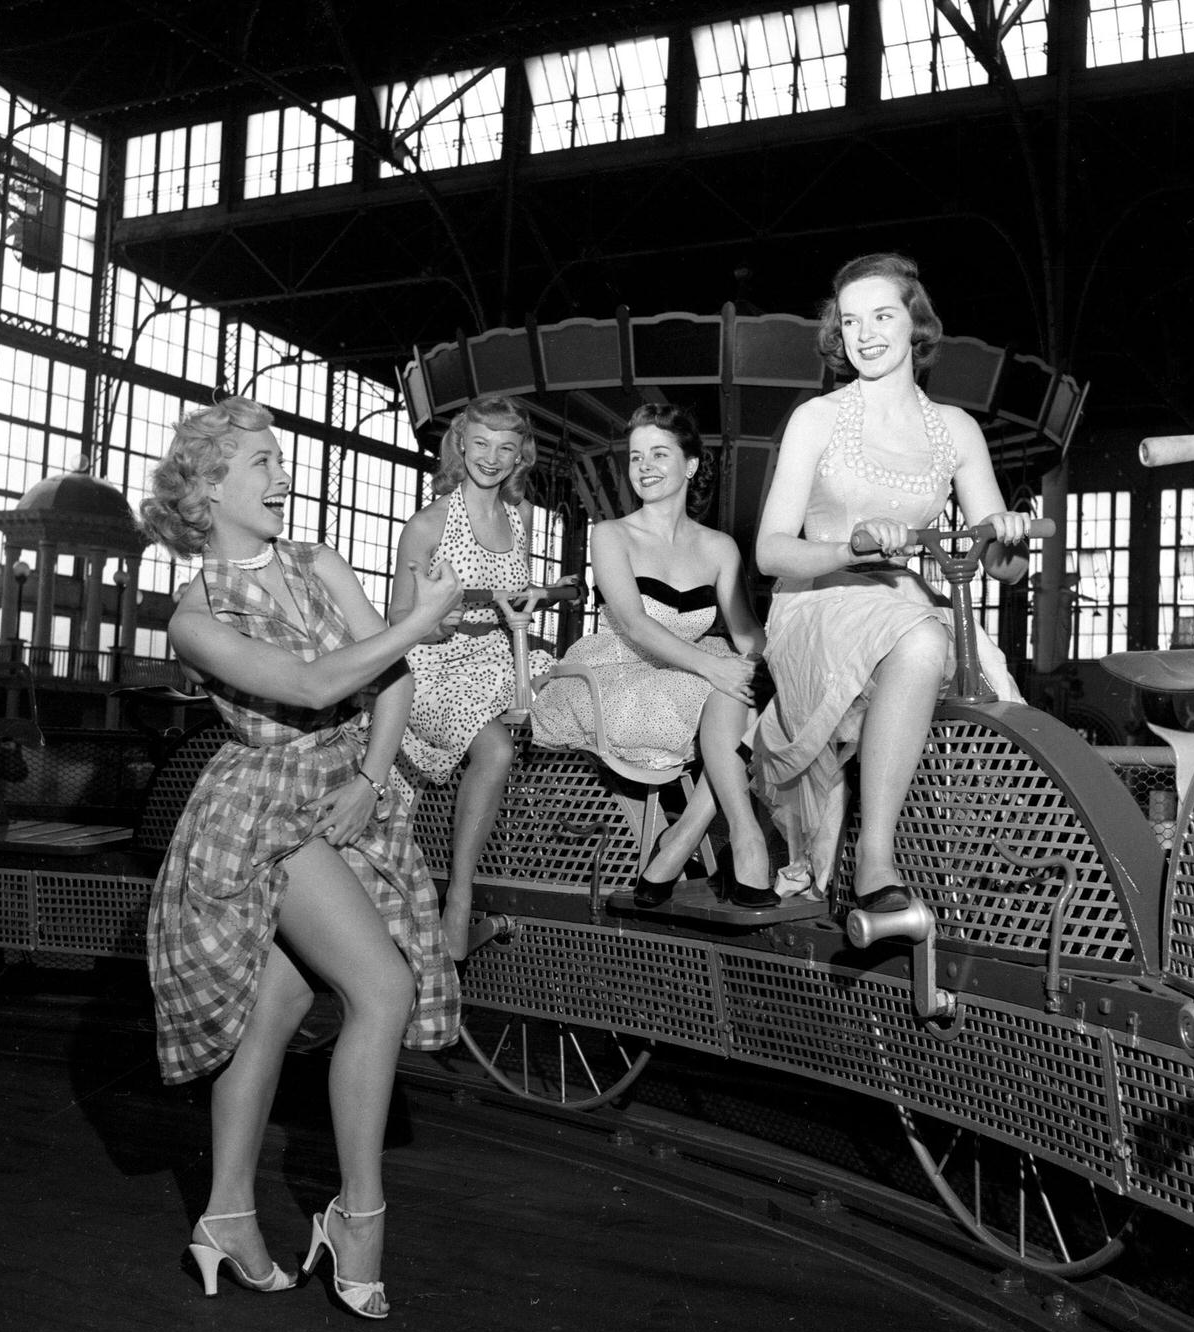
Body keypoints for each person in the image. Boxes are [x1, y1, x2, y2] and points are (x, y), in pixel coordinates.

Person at [141, 395, 462, 1321]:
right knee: (383, 990)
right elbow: (320, 681)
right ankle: (357, 1218)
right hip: (260, 809)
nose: (282, 475)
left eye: (279, 459)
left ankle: (228, 1216)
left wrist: (370, 775)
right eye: (259, 463)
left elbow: (387, 680)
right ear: (206, 490)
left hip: (342, 789)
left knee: (277, 1000)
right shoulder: (193, 616)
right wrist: (422, 617)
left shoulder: (317, 561)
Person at [752, 252, 1031, 913]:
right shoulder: (818, 419)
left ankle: (979, 866)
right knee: (925, 641)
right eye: (851, 321)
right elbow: (769, 552)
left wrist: (1010, 537)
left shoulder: (955, 430)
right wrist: (850, 544)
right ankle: (876, 858)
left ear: (916, 322)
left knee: (969, 665)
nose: (866, 333)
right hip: (819, 603)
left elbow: (999, 565)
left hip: (903, 601)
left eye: (882, 315)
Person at [530, 402, 777, 908]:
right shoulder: (611, 534)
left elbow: (747, 631)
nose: (644, 466)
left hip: (693, 678)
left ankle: (687, 836)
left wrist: (791, 661)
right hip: (620, 673)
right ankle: (742, 838)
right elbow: (636, 624)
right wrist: (716, 666)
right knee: (728, 687)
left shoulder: (719, 547)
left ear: (689, 465)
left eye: (659, 454)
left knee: (756, 689)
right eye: (636, 456)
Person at [389, 395, 553, 959]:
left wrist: (524, 608)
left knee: (579, 697)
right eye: (480, 443)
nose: (491, 456)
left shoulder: (521, 516)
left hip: (502, 657)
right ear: (460, 443)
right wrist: (436, 623)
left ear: (518, 457)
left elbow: (515, 598)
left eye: (506, 447)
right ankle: (459, 893)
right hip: (437, 665)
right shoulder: (429, 524)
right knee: (498, 749)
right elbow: (398, 624)